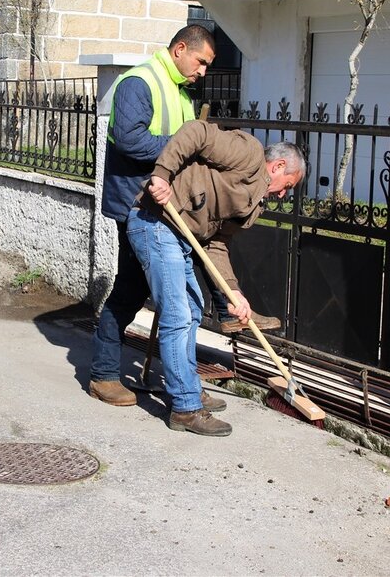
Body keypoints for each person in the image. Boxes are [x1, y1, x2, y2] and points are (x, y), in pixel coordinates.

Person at [130, 120, 305, 436]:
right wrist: (162, 175)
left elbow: (217, 243)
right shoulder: (248, 154)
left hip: (182, 236)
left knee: (193, 311)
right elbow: (195, 132)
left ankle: (189, 386)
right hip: (155, 220)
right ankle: (184, 408)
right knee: (178, 315)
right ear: (278, 166)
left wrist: (233, 293)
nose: (283, 195)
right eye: (288, 185)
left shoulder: (254, 204)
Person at [87, 25, 216, 407]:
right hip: (134, 205)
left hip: (165, 207)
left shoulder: (181, 92)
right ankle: (104, 374)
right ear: (180, 49)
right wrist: (184, 147)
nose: (203, 71)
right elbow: (130, 139)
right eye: (201, 62)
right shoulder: (139, 82)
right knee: (132, 288)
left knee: (152, 291)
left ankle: (177, 379)